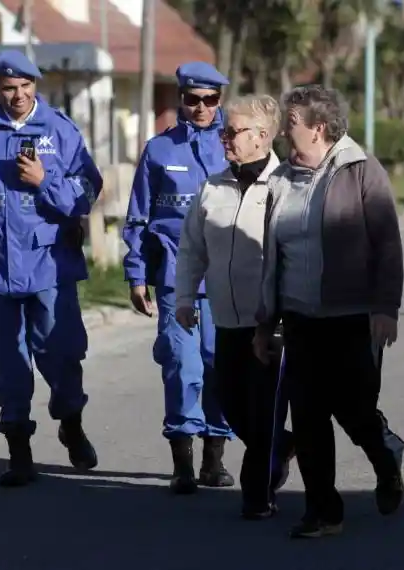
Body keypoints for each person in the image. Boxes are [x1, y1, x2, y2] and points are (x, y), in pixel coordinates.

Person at [252, 84, 404, 539]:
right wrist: (266, 323)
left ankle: (386, 454)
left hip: (351, 316)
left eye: (291, 124)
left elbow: (387, 244)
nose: (283, 132)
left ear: (318, 129)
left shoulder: (361, 171)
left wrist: (386, 307)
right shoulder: (281, 179)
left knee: (354, 409)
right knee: (308, 415)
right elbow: (272, 258)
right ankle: (323, 511)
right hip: (301, 319)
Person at [0, 50, 104, 487]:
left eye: (25, 86)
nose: (18, 95)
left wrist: (45, 181)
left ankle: (71, 423)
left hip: (50, 263)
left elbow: (88, 190)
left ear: (36, 85)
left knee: (61, 352)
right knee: (8, 360)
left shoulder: (60, 129)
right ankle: (19, 453)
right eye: (9, 88)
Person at [175, 93, 298, 518]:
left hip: (271, 322)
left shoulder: (286, 186)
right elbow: (191, 249)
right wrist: (185, 297)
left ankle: (258, 496)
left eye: (232, 131)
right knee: (230, 404)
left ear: (262, 136)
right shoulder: (213, 187)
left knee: (263, 412)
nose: (224, 138)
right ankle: (283, 445)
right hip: (225, 319)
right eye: (224, 131)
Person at [122, 61, 237, 494]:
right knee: (180, 365)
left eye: (210, 99)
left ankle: (214, 458)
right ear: (180, 99)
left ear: (220, 100)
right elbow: (138, 218)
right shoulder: (159, 150)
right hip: (176, 278)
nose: (202, 107)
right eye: (193, 99)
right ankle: (182, 462)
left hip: (227, 278)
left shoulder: (235, 146)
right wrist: (136, 275)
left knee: (219, 366)